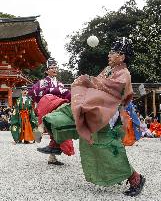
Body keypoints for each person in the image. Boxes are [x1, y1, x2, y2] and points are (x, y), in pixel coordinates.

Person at [42, 38, 145, 197]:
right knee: (66, 115)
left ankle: (135, 178)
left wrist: (89, 83)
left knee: (107, 149)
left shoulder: (124, 74)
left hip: (106, 115)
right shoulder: (108, 70)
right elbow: (97, 85)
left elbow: (106, 90)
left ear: (122, 57)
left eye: (113, 52)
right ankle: (55, 142)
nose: (109, 55)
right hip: (94, 110)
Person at [29, 57, 74, 165]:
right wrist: (51, 91)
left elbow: (67, 95)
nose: (54, 69)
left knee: (58, 131)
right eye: (52, 67)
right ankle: (40, 128)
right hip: (48, 105)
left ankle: (52, 156)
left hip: (57, 108)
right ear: (46, 70)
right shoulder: (43, 82)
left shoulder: (59, 83)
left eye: (55, 67)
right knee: (54, 129)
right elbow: (33, 92)